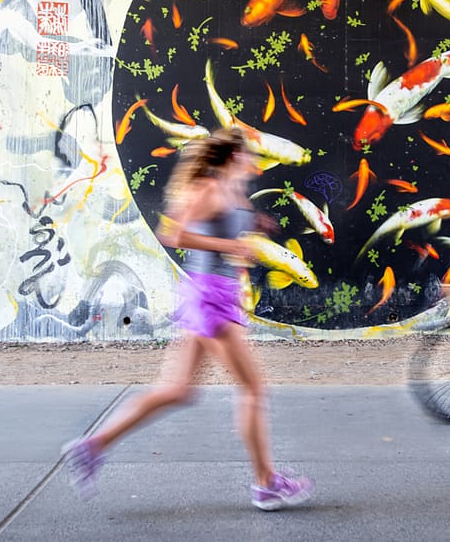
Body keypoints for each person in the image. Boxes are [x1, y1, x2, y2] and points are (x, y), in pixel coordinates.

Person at [61, 127, 314, 511]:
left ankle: (91, 447)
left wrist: (254, 225)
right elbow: (173, 233)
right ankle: (265, 484)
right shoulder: (209, 189)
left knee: (178, 390)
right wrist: (228, 244)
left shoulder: (232, 192)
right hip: (211, 297)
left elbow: (222, 225)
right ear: (232, 158)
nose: (253, 161)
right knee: (252, 388)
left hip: (216, 294)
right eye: (247, 155)